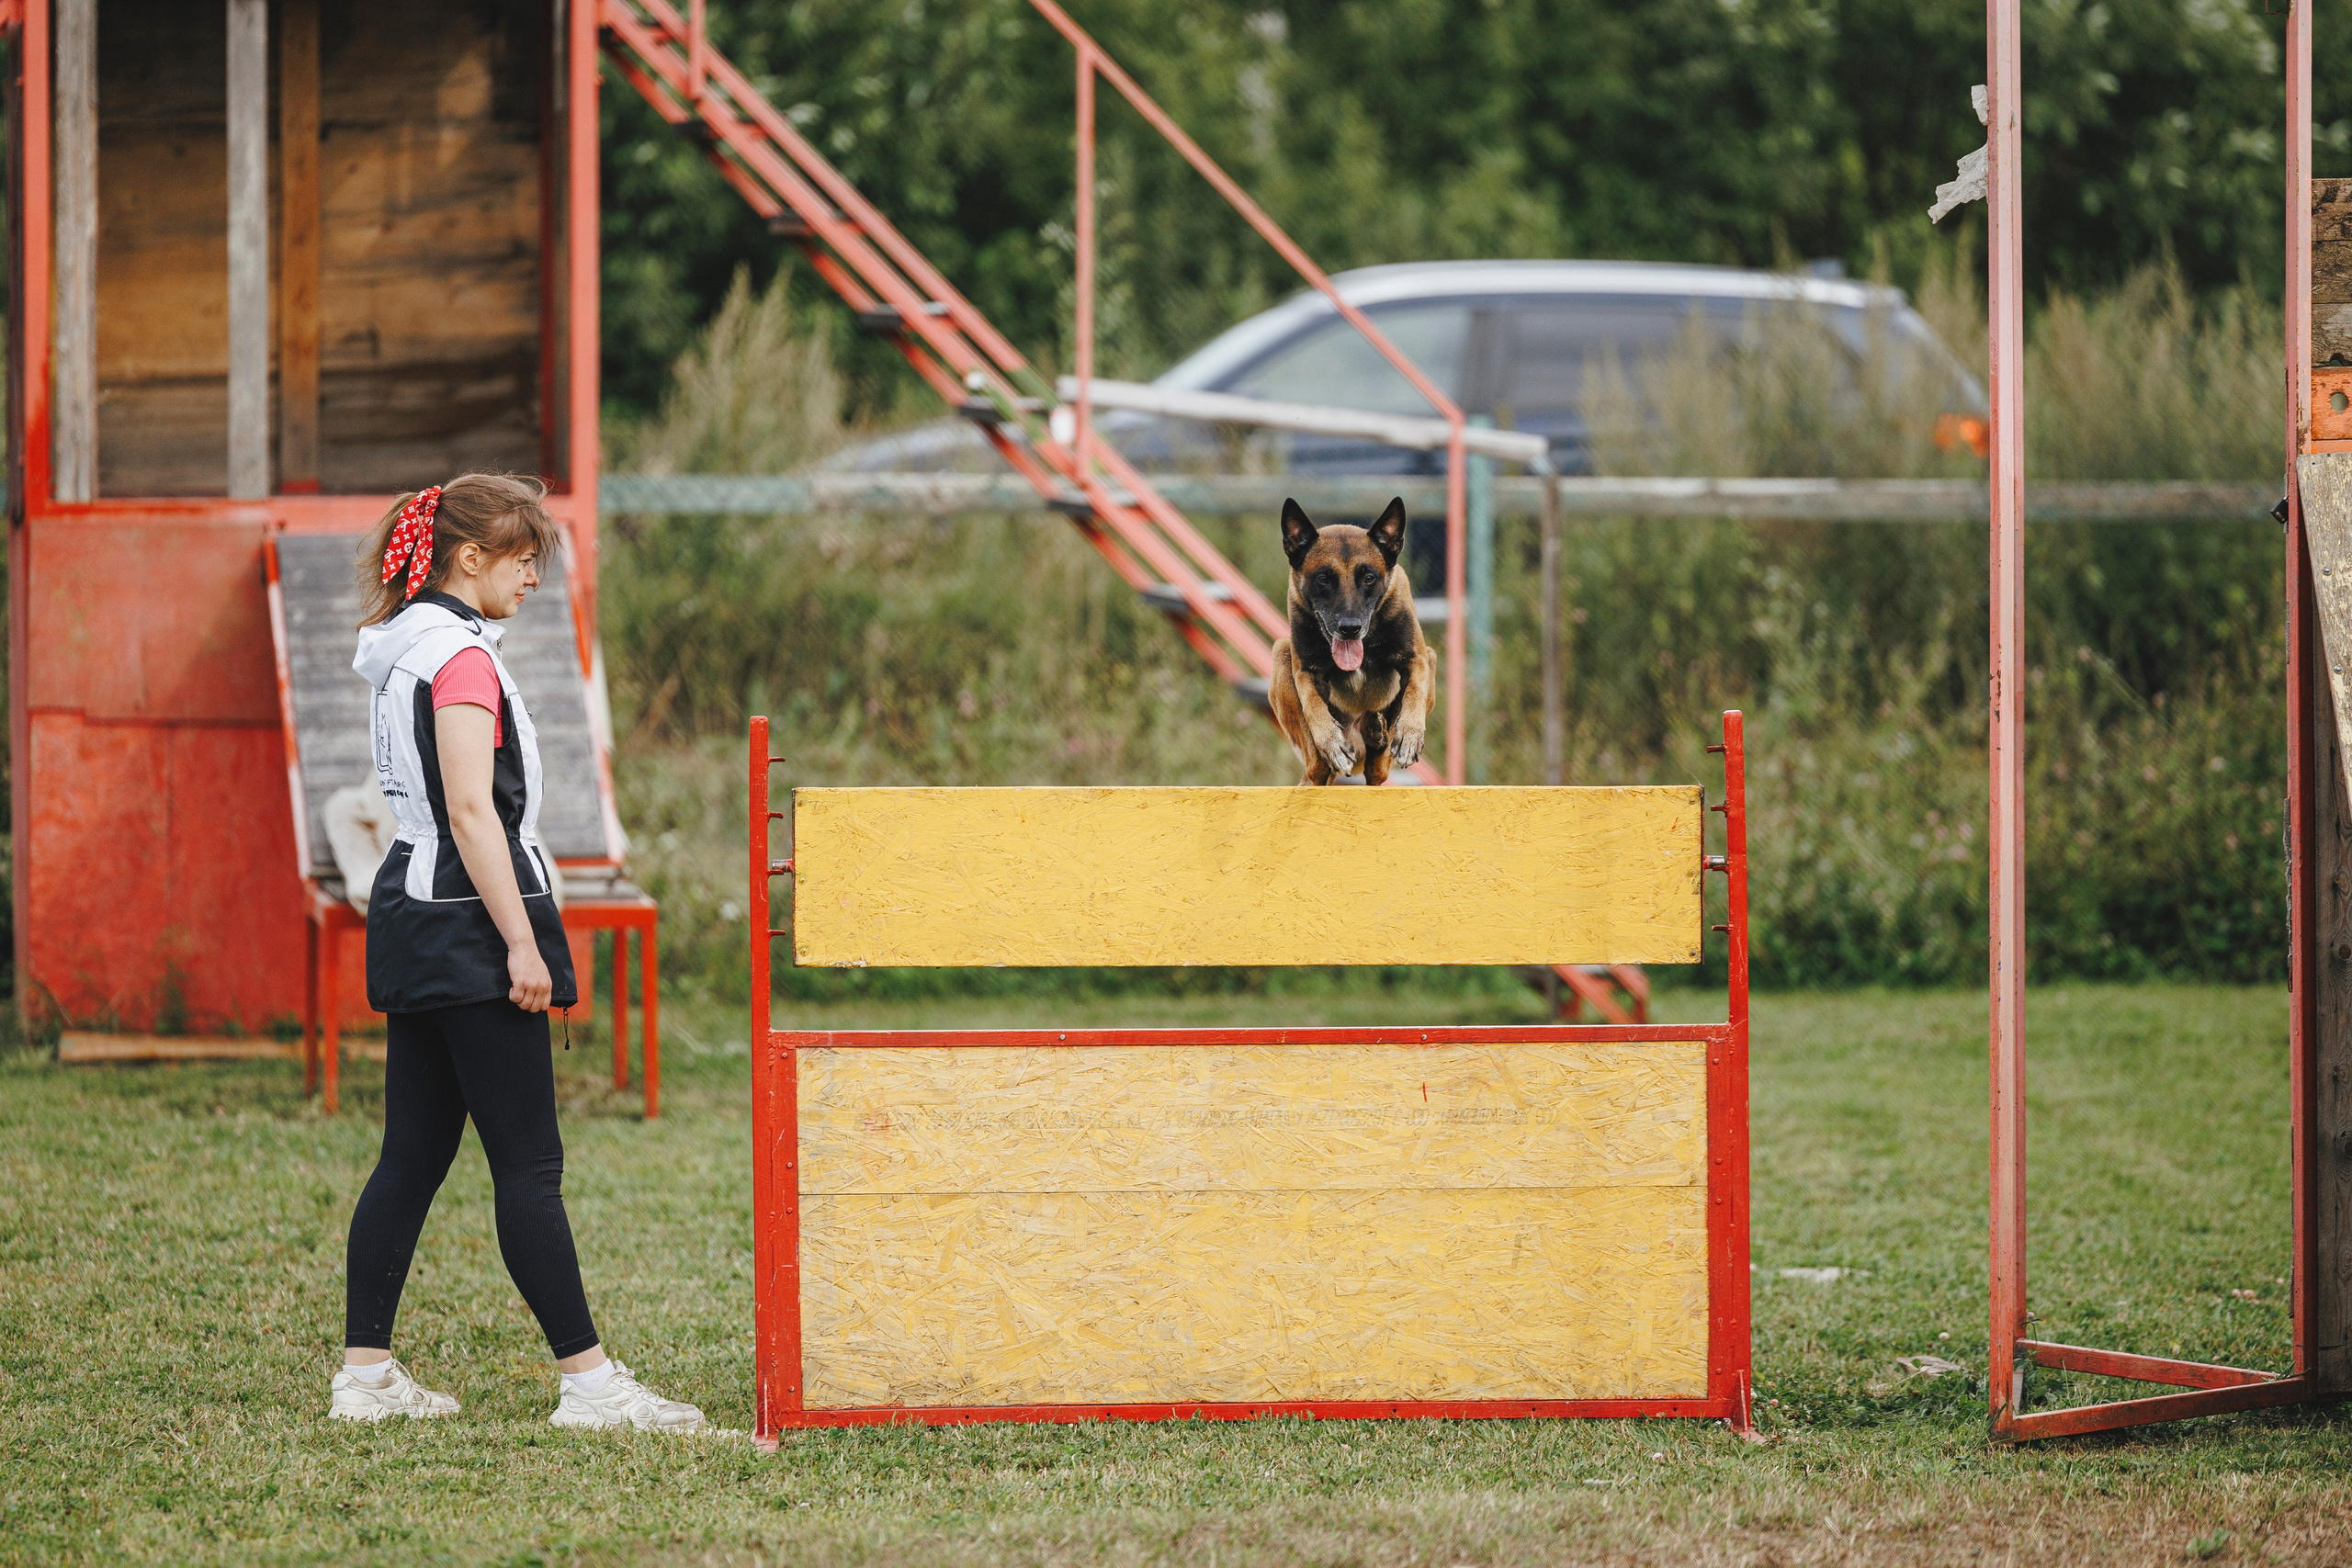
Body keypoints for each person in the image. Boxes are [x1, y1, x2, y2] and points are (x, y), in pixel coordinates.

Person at [329, 473, 702, 1433]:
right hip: (463, 923)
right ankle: (589, 1385)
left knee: (410, 1156)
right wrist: (522, 940)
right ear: (469, 557)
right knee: (528, 1165)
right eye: (522, 556)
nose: (534, 575)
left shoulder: (411, 646)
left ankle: (364, 1378)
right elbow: (468, 808)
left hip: (419, 912)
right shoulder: (456, 658)